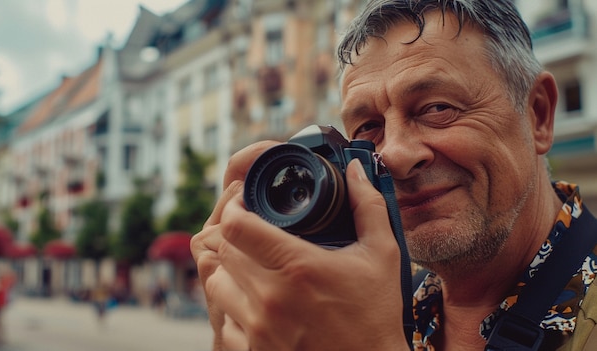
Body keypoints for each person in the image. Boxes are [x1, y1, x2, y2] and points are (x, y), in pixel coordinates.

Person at [190, 1, 597, 350]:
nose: (395, 155)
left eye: (437, 108)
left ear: (538, 115)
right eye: (368, 127)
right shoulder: (366, 309)